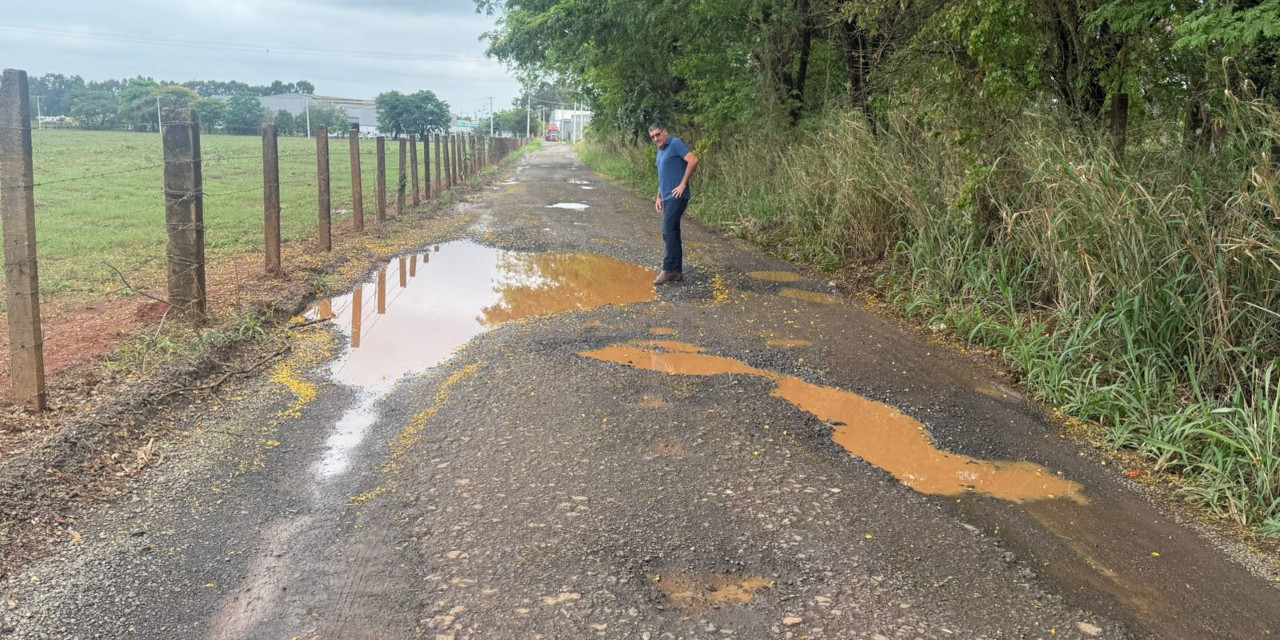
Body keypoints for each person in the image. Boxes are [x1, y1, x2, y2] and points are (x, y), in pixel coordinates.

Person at [649, 124, 699, 285]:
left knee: (668, 228)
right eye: (652, 137)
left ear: (665, 132)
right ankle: (676, 271)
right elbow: (663, 176)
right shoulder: (660, 150)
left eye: (658, 134)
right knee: (673, 230)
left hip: (678, 195)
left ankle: (669, 268)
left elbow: (693, 160)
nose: (656, 139)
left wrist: (683, 184)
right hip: (667, 197)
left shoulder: (675, 143)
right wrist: (659, 196)